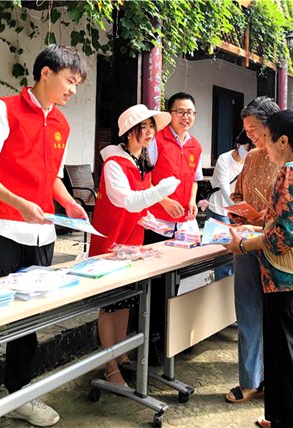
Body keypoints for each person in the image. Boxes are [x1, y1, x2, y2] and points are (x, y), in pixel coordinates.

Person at [0, 44, 89, 427]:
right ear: (46, 74)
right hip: (1, 229)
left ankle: (20, 393)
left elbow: (52, 178)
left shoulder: (62, 125)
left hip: (41, 234)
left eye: (78, 84)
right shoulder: (2, 110)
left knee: (29, 320)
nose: (73, 90)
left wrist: (69, 203)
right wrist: (18, 202)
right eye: (70, 81)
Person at [225, 109, 293, 428]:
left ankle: (288, 422)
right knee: (286, 357)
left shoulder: (291, 172)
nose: (263, 146)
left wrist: (245, 245)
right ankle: (278, 417)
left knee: (287, 360)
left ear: (283, 140)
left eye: (268, 139)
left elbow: (285, 234)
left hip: (287, 278)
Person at [89, 105, 179, 386]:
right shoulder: (115, 163)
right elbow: (126, 200)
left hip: (131, 242)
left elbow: (139, 205)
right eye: (145, 127)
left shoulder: (139, 161)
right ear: (129, 132)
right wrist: (161, 191)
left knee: (126, 300)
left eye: (152, 126)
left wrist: (152, 219)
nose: (151, 132)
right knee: (110, 305)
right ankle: (109, 364)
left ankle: (121, 353)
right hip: (111, 243)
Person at [225, 96, 280, 404]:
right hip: (245, 244)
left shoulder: (289, 159)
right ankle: (250, 380)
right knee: (247, 312)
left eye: (255, 129)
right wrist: (238, 211)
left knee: (278, 316)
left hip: (277, 247)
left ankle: (280, 379)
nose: (251, 136)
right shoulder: (252, 158)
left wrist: (263, 218)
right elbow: (238, 193)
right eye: (246, 130)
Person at [144, 92, 203, 364]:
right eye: (180, 111)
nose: (186, 117)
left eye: (190, 112)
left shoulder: (196, 146)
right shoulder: (155, 140)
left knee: (179, 280)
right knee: (156, 284)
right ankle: (152, 340)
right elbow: (143, 178)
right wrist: (164, 200)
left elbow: (194, 179)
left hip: (183, 225)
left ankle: (173, 335)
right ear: (170, 114)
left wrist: (191, 201)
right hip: (157, 221)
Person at [205, 129, 253, 280]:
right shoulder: (224, 159)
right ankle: (220, 282)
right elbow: (225, 189)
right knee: (222, 250)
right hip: (219, 208)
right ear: (238, 145)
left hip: (237, 210)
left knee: (237, 250)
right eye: (246, 148)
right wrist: (239, 210)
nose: (248, 152)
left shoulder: (249, 161)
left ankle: (230, 284)